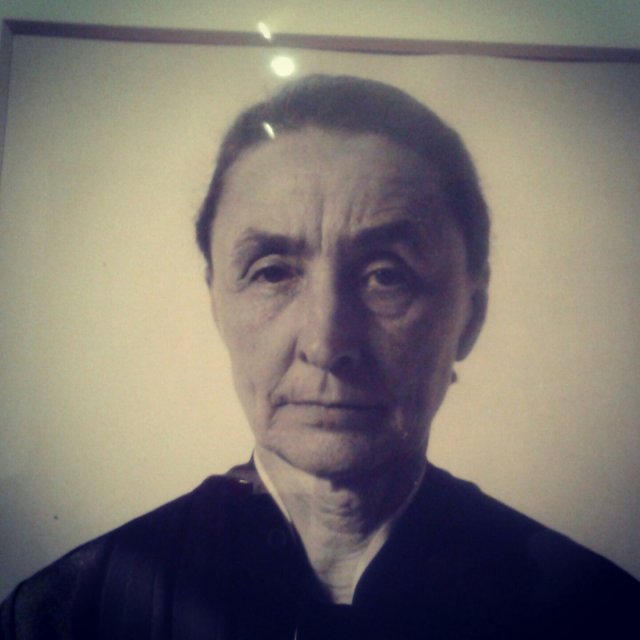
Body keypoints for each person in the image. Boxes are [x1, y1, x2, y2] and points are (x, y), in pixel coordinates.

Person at [1, 74, 638, 639]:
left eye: (387, 275)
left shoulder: (598, 616)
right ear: (217, 303)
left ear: (470, 314)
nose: (327, 344)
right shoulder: (63, 615)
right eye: (273, 272)